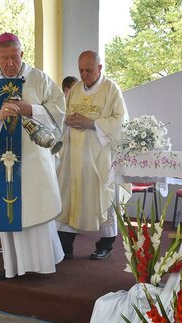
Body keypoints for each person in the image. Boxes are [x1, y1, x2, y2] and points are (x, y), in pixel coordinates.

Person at [0, 32, 65, 279]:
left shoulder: (39, 78)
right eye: (4, 58)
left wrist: (29, 108)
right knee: (9, 210)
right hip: (2, 156)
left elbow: (59, 108)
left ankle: (43, 264)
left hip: (33, 160)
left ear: (22, 54)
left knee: (36, 206)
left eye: (14, 57)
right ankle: (14, 266)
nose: (10, 63)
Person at [56, 50, 128, 260]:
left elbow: (121, 120)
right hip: (73, 155)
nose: (84, 75)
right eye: (81, 70)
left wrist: (92, 124)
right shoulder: (76, 89)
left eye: (89, 70)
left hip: (99, 156)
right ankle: (65, 245)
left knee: (102, 198)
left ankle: (105, 244)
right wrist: (67, 120)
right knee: (68, 196)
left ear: (100, 68)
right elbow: (63, 115)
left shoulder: (111, 89)